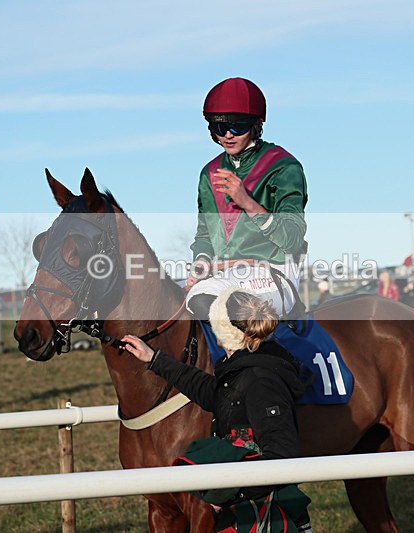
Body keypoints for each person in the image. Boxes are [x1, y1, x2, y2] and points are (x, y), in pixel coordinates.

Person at [123, 288, 312, 532]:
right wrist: (155, 359)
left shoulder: (260, 380)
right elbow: (210, 392)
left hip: (267, 515)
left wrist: (229, 493)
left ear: (222, 333)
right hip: (247, 507)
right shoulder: (243, 368)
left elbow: (282, 455)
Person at [186, 77, 308, 320]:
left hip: (274, 272)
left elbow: (292, 240)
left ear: (255, 125)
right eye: (220, 128)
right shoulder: (208, 173)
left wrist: (247, 202)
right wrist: (201, 261)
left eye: (238, 126)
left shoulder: (284, 167)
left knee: (208, 301)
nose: (228, 135)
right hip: (224, 273)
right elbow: (204, 235)